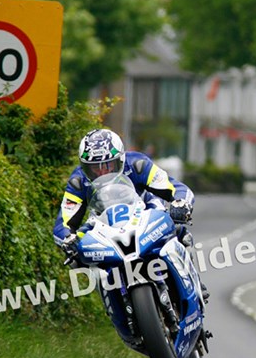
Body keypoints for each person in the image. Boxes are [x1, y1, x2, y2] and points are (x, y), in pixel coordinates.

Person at [52, 129, 206, 344]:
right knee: (87, 260)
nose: (102, 172)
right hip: (105, 224)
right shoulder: (79, 181)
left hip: (145, 212)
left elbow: (176, 187)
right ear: (84, 166)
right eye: (94, 167)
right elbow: (63, 222)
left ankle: (193, 282)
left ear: (121, 159)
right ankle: (122, 315)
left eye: (108, 165)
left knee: (178, 229)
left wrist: (180, 204)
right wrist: (68, 239)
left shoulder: (138, 164)